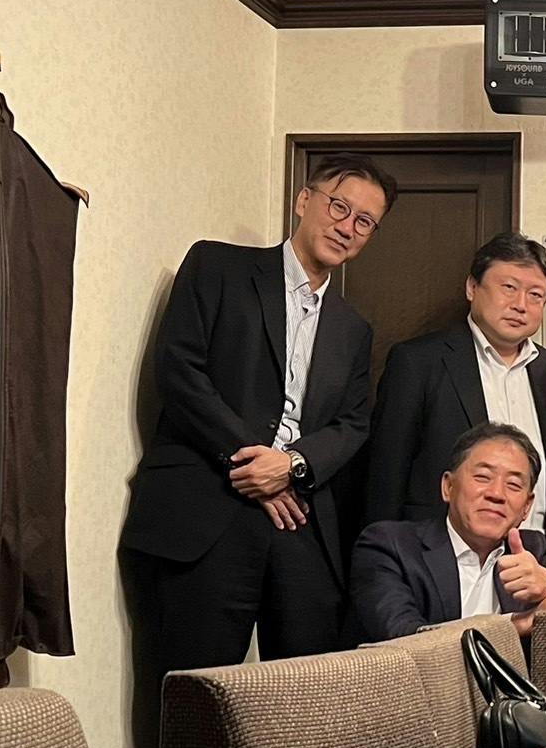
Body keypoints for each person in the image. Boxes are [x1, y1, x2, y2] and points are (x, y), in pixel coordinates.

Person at [121, 153, 394, 673]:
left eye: (365, 221)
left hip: (300, 521)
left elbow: (353, 423)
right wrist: (255, 462)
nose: (347, 227)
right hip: (206, 509)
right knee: (192, 690)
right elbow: (179, 368)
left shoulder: (353, 328)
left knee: (303, 694)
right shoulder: (217, 266)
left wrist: (290, 466)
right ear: (304, 200)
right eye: (339, 206)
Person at [352, 423, 546, 642]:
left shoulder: (526, 551)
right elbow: (406, 639)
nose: (496, 494)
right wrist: (521, 624)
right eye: (483, 477)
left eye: (513, 485)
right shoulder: (389, 546)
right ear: (448, 487)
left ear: (526, 507)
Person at [364, 233, 546, 530]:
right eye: (509, 287)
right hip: (434, 547)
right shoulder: (418, 362)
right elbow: (386, 475)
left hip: (535, 548)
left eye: (535, 295)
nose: (521, 305)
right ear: (472, 287)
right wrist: (380, 550)